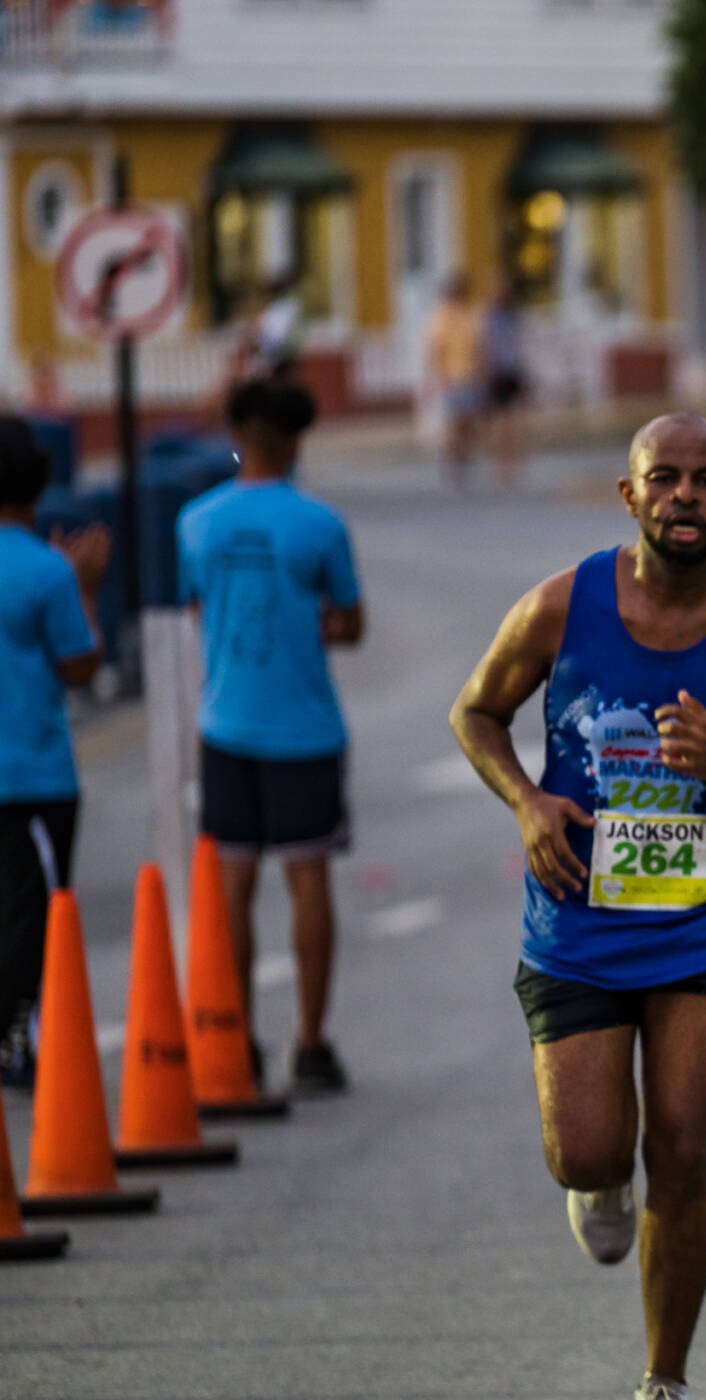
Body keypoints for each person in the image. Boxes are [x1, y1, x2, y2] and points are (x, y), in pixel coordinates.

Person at [448, 414, 706, 1400]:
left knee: (686, 1147)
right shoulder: (563, 603)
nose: (685, 496)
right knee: (591, 1148)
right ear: (630, 495)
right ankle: (600, 1177)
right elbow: (475, 712)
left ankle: (666, 1381)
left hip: (703, 929)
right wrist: (526, 801)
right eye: (665, 478)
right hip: (576, 920)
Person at [179, 378, 364, 1096]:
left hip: (225, 721)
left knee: (233, 880)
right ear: (294, 442)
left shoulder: (194, 522)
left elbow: (194, 607)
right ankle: (312, 1043)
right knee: (307, 876)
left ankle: (236, 1038)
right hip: (305, 727)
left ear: (235, 434)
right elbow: (350, 622)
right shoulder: (319, 524)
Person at [0, 418, 108, 1089]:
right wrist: (87, 588)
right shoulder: (47, 571)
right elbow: (79, 666)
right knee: (31, 916)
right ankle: (16, 1040)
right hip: (34, 776)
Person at [427, 273, 484, 486]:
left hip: (470, 375)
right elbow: (436, 350)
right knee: (453, 424)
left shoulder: (469, 315)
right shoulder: (442, 317)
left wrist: (480, 371)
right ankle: (450, 462)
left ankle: (462, 459)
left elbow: (478, 346)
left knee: (467, 424)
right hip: (451, 378)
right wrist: (439, 377)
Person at [481, 278, 531, 489]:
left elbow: (523, 342)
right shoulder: (491, 317)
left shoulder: (515, 315)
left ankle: (512, 458)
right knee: (500, 420)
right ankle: (501, 461)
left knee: (514, 419)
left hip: (513, 370)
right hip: (498, 372)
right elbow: (487, 345)